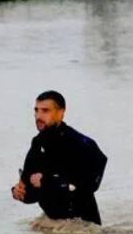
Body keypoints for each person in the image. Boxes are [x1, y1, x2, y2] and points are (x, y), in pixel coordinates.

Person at [12, 90, 109, 225]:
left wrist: (47, 181)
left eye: (45, 111)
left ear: (61, 112)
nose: (38, 116)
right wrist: (20, 192)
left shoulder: (83, 144)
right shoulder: (37, 143)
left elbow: (89, 185)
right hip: (51, 223)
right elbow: (32, 190)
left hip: (83, 228)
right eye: (36, 110)